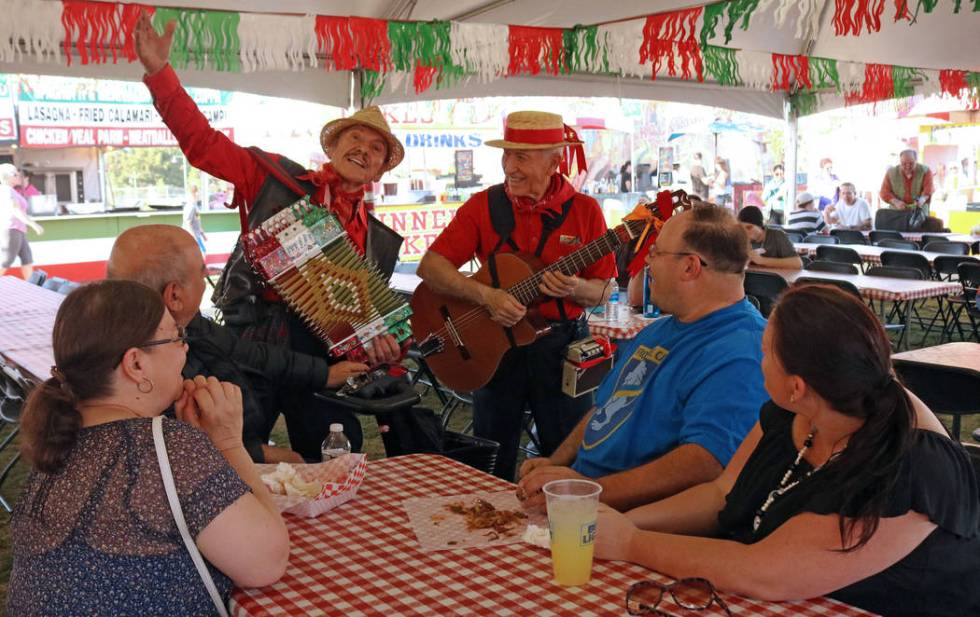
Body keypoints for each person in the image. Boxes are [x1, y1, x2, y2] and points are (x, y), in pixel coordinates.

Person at [594, 284, 980, 616]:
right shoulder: (801, 409)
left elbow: (764, 572)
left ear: (797, 385)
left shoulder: (911, 468)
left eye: (764, 352)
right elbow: (721, 494)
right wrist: (616, 521)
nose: (758, 362)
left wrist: (630, 542)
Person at [135, 14, 403, 452]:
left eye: (377, 149)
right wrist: (159, 74)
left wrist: (381, 343)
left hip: (322, 354)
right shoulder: (275, 179)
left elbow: (363, 317)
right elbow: (202, 144)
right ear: (332, 148)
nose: (364, 150)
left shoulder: (380, 240)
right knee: (236, 449)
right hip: (255, 334)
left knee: (335, 451)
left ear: (381, 169)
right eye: (356, 138)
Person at [7, 280, 289, 615]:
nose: (185, 349)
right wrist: (227, 442)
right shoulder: (169, 446)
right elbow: (267, 561)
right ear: (136, 364)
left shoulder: (56, 440)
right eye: (177, 337)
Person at [517, 205, 768, 512]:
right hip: (585, 500)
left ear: (690, 267)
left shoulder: (742, 350)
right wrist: (555, 462)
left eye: (656, 253)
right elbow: (604, 409)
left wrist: (588, 492)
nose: (647, 262)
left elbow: (705, 462)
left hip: (629, 523)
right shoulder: (658, 330)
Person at [417, 110, 616, 481]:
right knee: (492, 456)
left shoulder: (586, 211)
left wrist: (576, 288)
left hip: (560, 349)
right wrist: (484, 296)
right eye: (507, 154)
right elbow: (431, 266)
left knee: (566, 457)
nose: (510, 166)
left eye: (521, 156)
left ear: (555, 162)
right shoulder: (483, 206)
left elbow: (604, 289)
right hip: (493, 349)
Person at [108, 224, 370, 463]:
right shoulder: (146, 364)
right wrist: (258, 453)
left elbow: (247, 352)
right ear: (175, 295)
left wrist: (323, 374)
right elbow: (180, 450)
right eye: (203, 275)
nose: (205, 285)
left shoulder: (184, 325)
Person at [1, 163, 44, 279]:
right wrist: (33, 224)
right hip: (11, 229)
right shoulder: (6, 191)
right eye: (15, 174)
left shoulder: (12, 190)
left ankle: (31, 288)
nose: (18, 175)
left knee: (27, 259)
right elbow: (15, 210)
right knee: (5, 261)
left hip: (18, 230)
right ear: (7, 176)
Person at [737, 205, 802, 270]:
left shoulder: (777, 236)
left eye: (749, 227)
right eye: (741, 229)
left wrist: (762, 260)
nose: (744, 232)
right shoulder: (741, 240)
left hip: (778, 279)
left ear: (760, 225)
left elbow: (798, 264)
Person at [880, 149, 934, 214]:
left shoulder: (925, 171)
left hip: (919, 213)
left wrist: (922, 200)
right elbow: (884, 192)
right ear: (900, 161)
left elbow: (928, 190)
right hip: (897, 211)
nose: (907, 166)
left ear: (916, 161)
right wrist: (895, 202)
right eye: (904, 164)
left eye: (911, 163)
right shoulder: (891, 173)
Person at [182, 184, 207, 254]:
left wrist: (202, 234)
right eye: (195, 192)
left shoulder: (195, 205)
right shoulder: (190, 206)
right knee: (200, 254)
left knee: (203, 253)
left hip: (196, 235)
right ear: (192, 193)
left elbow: (197, 220)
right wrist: (193, 238)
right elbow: (188, 222)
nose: (198, 193)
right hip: (192, 237)